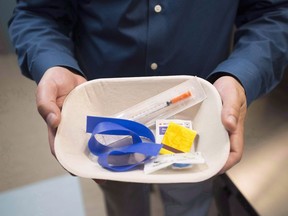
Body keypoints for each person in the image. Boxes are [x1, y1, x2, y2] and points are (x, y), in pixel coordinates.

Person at [8, 1, 288, 216]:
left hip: (200, 122)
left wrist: (241, 75)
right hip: (109, 126)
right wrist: (54, 63)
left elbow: (272, 14)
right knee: (123, 201)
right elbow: (37, 13)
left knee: (190, 199)